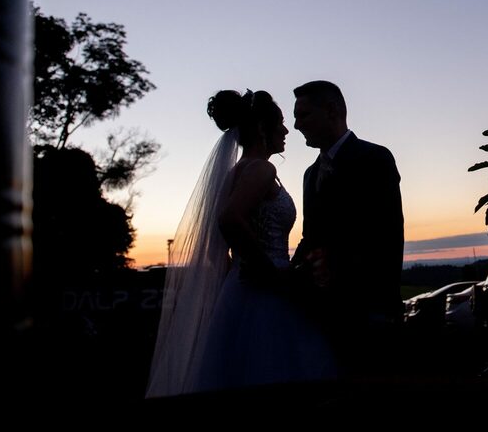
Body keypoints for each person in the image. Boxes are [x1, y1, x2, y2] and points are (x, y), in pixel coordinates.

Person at [146, 89, 335, 397]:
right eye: (281, 122)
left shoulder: (237, 172)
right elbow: (230, 220)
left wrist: (238, 272)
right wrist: (271, 273)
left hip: (241, 287)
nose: (286, 130)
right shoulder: (261, 168)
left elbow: (216, 245)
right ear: (262, 127)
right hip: (265, 289)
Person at [290, 80, 405, 376]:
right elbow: (309, 237)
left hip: (369, 308)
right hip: (323, 312)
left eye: (303, 115)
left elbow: (387, 235)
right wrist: (287, 275)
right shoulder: (309, 174)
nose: (295, 125)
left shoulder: (375, 158)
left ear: (331, 111)